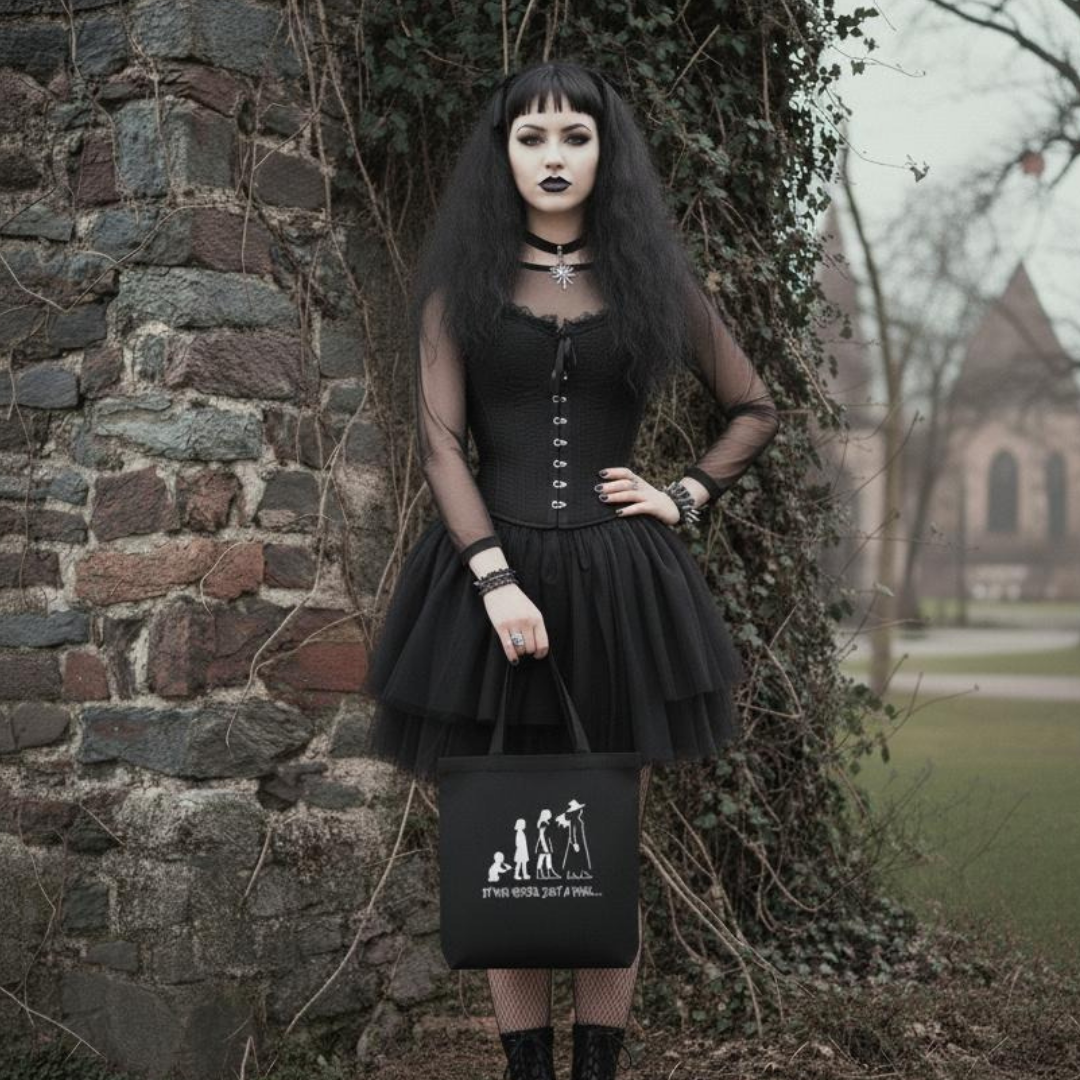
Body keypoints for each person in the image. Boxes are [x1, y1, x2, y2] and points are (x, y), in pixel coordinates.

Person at [361, 59, 780, 1080]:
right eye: (532, 138)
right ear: (504, 155)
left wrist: (682, 496)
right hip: (483, 583)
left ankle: (600, 1064)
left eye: (575, 137)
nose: (554, 156)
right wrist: (496, 580)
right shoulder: (461, 286)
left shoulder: (652, 284)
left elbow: (756, 408)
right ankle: (527, 1067)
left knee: (602, 830)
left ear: (605, 151)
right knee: (499, 831)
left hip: (617, 587)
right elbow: (442, 447)